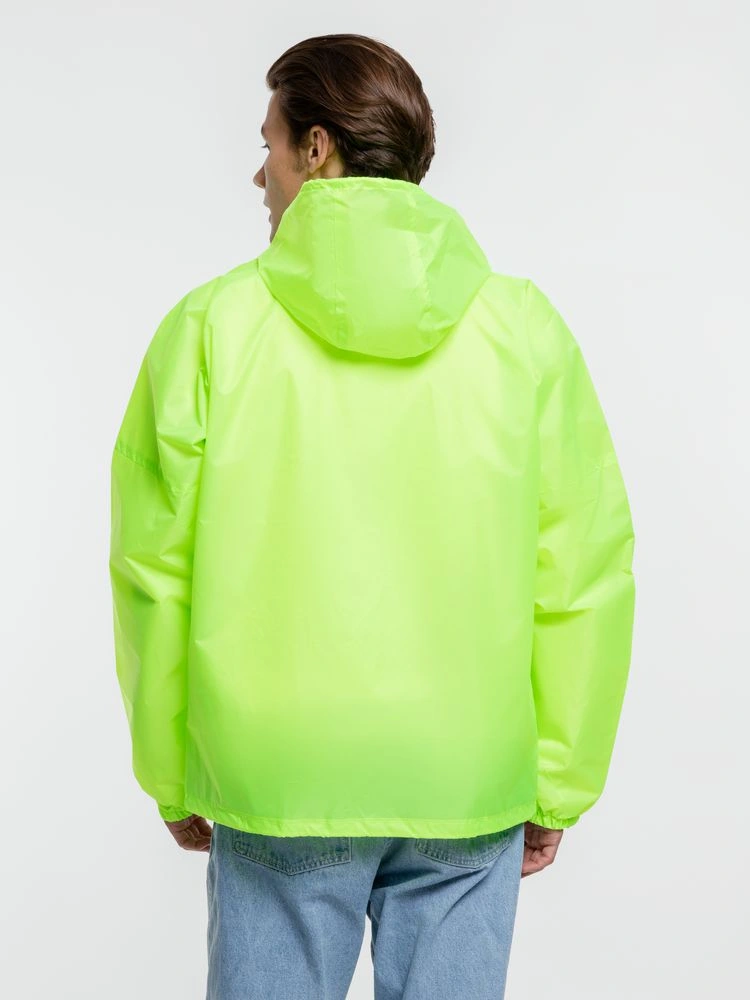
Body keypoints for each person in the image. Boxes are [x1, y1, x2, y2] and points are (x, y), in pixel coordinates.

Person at [108, 32, 636, 1000]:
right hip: (466, 775)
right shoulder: (522, 330)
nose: (259, 173)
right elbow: (582, 570)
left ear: (317, 149)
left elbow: (154, 569)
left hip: (277, 773)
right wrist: (560, 780)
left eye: (269, 144)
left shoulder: (211, 328)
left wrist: (169, 768)